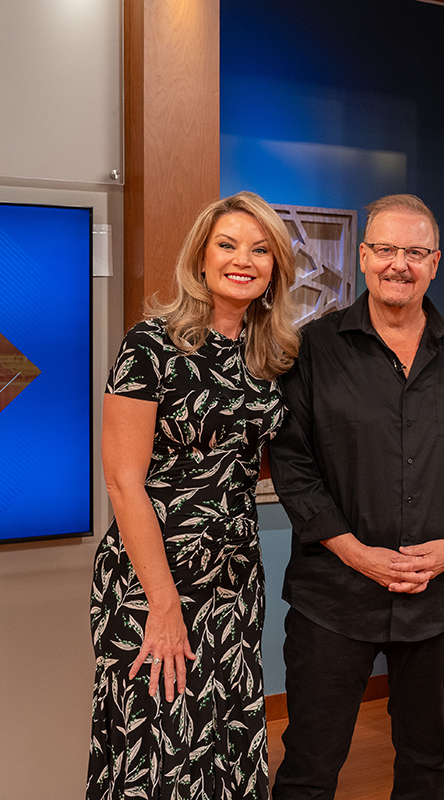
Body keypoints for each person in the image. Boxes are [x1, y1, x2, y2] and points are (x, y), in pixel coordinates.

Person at [269, 194, 444, 800]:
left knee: (427, 766)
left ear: (436, 262)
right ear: (364, 256)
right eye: (387, 250)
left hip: (437, 601)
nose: (400, 264)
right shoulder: (312, 349)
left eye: (415, 252)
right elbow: (293, 465)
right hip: (333, 598)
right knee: (309, 770)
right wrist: (355, 552)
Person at [89, 191, 299, 799]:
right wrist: (163, 603)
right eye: (228, 245)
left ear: (275, 268)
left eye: (261, 250)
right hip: (152, 581)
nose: (244, 259)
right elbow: (123, 482)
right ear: (200, 259)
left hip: (234, 582)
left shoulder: (271, 357)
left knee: (228, 747)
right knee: (155, 756)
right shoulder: (150, 346)